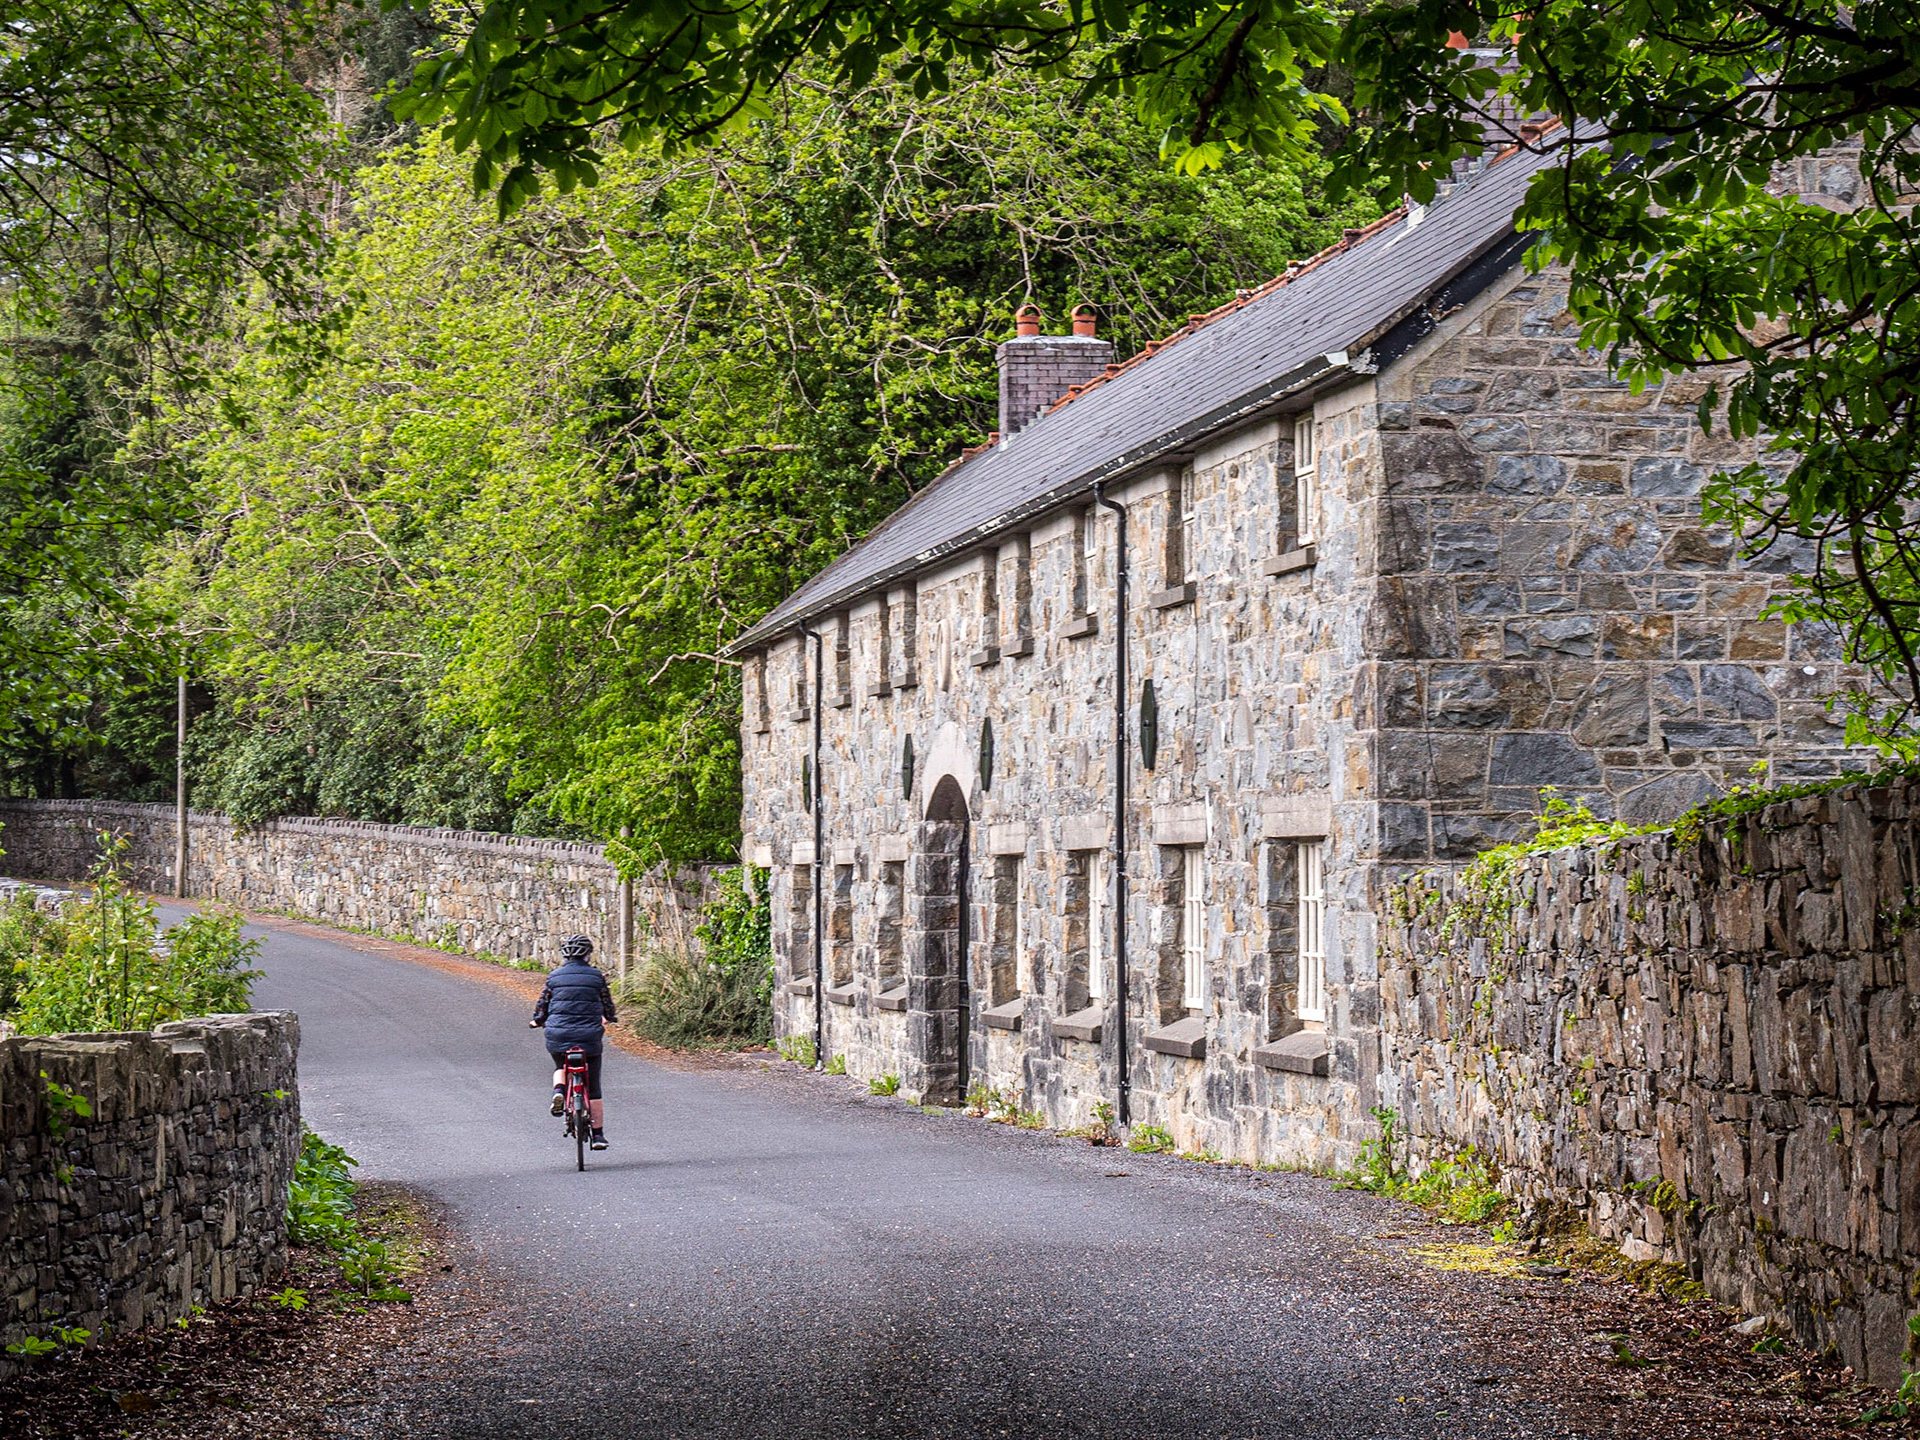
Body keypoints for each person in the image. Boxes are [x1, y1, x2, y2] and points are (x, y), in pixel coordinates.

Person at [530, 933, 617, 1150]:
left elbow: (543, 1004)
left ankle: (559, 1091)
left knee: (561, 1066)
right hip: (589, 1037)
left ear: (564, 955)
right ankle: (598, 1135)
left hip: (558, 1035)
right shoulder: (596, 977)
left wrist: (537, 1021)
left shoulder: (554, 977)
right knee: (593, 1086)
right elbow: (607, 1003)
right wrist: (610, 1017)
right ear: (588, 955)